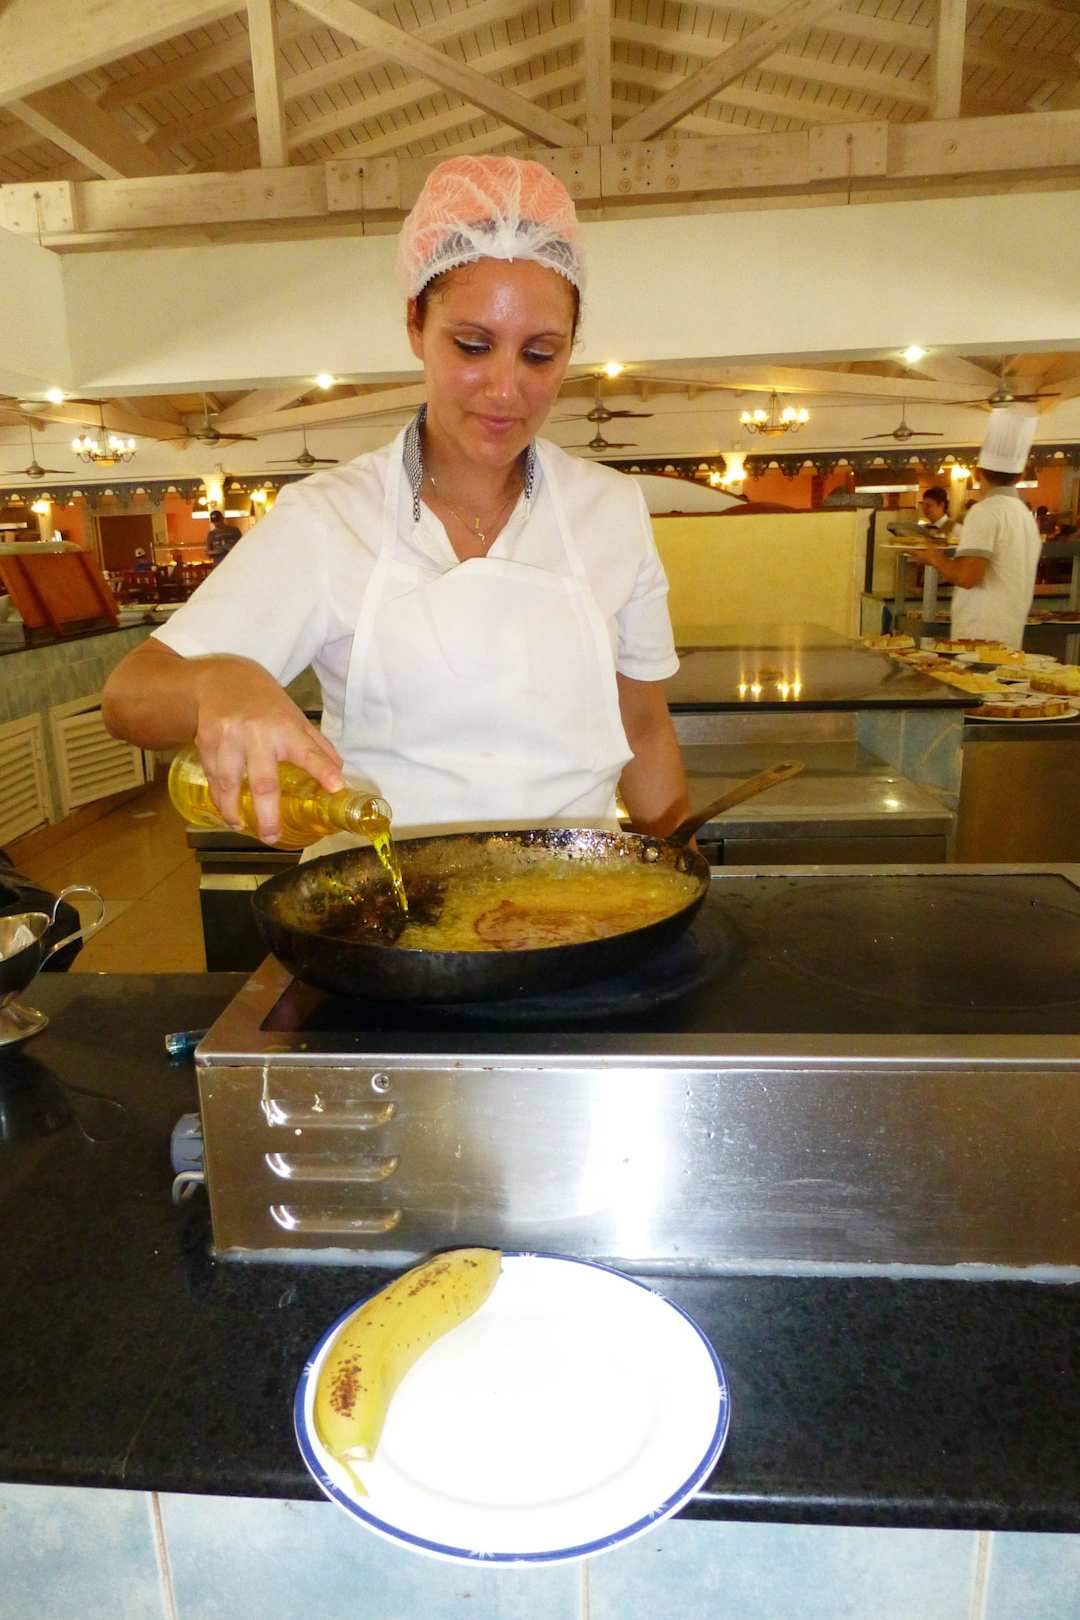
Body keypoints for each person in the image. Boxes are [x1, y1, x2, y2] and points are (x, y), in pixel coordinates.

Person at [101, 156, 690, 853]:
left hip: (579, 899)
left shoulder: (612, 509)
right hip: (383, 901)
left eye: (540, 355)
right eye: (473, 345)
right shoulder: (329, 519)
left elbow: (644, 727)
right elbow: (130, 696)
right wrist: (213, 682)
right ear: (416, 324)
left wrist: (677, 870)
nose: (506, 390)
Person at [902, 411, 1040, 649]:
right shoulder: (1024, 516)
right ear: (1019, 476)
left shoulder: (985, 511)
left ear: (977, 472)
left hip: (978, 637)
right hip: (1009, 635)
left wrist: (934, 558)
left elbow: (967, 577)